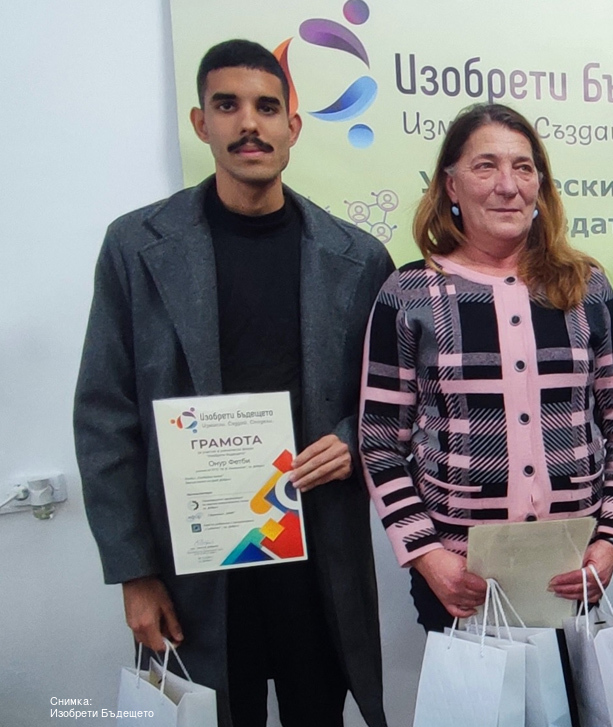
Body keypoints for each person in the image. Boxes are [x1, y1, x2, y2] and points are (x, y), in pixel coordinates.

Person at [74, 40, 392, 727]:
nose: (249, 123)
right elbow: (105, 417)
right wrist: (135, 572)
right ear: (201, 123)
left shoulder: (358, 257)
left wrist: (352, 438)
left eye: (267, 107)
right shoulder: (136, 248)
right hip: (195, 567)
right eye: (228, 106)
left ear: (293, 127)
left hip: (317, 558)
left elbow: (393, 399)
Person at [359, 103, 613, 629]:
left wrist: (611, 539)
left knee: (570, 687)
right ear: (451, 185)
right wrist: (427, 556)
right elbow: (379, 443)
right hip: (459, 578)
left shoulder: (586, 288)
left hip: (571, 569)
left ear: (540, 185)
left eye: (523, 167)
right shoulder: (409, 293)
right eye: (485, 166)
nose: (507, 186)